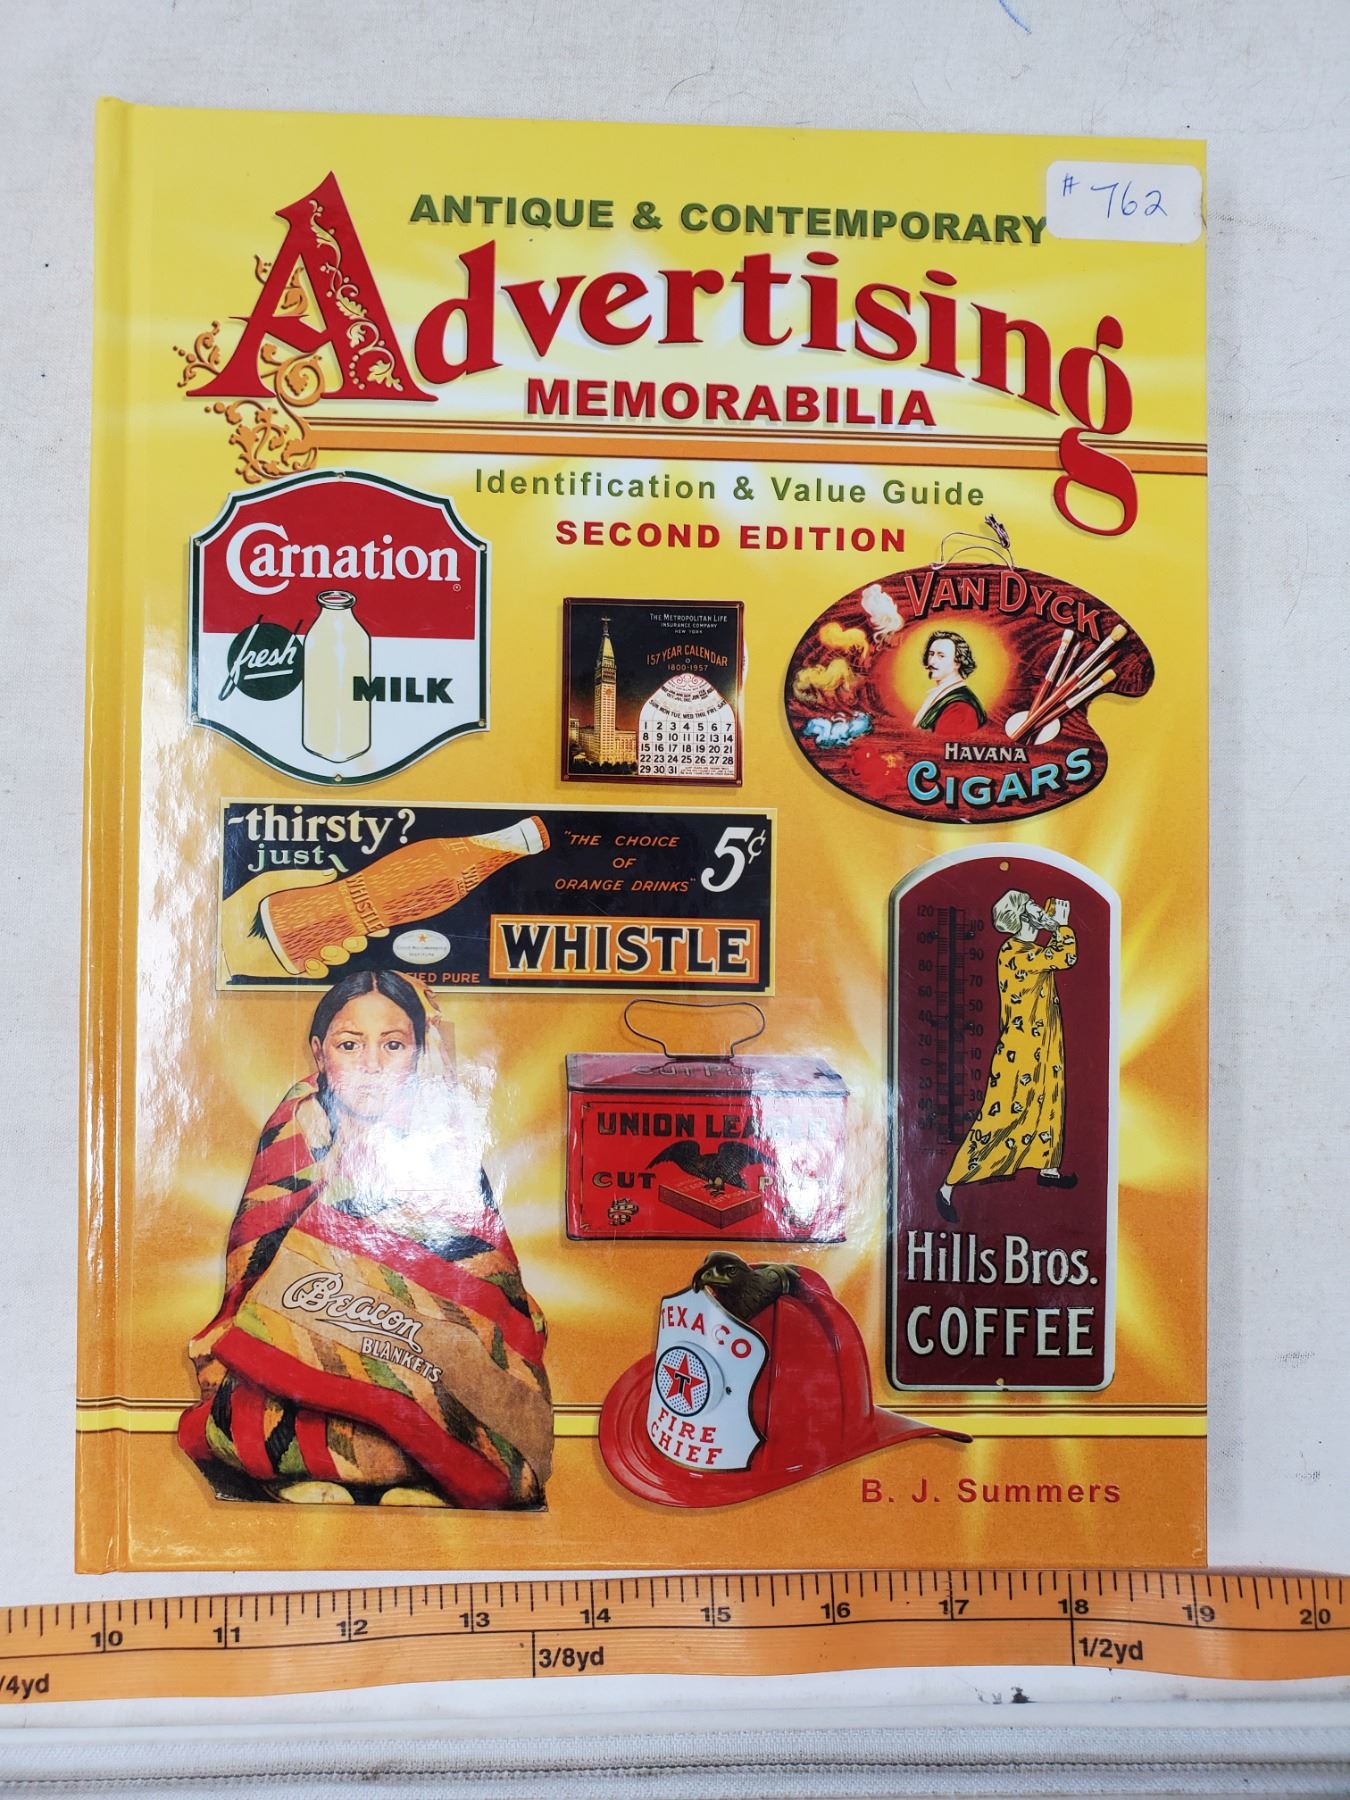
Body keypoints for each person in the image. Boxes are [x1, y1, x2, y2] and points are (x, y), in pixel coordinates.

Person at [177, 970, 553, 1508]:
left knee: (459, 1409)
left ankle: (413, 1473)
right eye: (350, 1045)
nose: (372, 1064)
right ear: (319, 1052)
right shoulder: (297, 1125)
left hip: (424, 1346)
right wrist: (331, 1250)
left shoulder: (441, 1137)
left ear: (417, 1054)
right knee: (253, 1422)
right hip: (308, 1328)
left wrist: (419, 1304)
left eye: (393, 1045)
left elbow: (488, 1274)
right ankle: (334, 1469)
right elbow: (253, 1260)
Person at [936, 890, 1078, 1224]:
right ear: (1022, 917)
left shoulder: (1030, 950)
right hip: (1021, 1049)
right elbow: (1065, 957)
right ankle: (948, 1186)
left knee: (1049, 1097)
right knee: (999, 1116)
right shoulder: (1015, 954)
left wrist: (1052, 925)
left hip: (1044, 1041)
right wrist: (1060, 926)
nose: (1038, 909)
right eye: (1031, 906)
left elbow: (1052, 956)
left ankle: (1048, 1168)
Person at [913, 630, 987, 732]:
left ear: (958, 662)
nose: (932, 661)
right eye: (931, 654)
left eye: (941, 656)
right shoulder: (943, 694)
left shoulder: (960, 707)